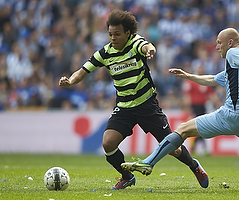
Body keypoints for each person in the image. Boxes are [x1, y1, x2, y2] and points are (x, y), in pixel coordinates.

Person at [121, 28, 239, 191]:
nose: (216, 47)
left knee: (183, 130)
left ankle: (149, 162)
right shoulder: (237, 67)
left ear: (230, 42)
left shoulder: (234, 53)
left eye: (219, 43)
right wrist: (188, 76)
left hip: (233, 115)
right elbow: (212, 79)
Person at [59, 10, 207, 190]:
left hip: (148, 106)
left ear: (128, 33)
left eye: (117, 34)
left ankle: (194, 166)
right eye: (110, 34)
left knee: (174, 149)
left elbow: (146, 46)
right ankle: (127, 176)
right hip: (124, 108)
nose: (113, 38)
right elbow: (83, 71)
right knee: (108, 143)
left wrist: (150, 50)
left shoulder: (135, 43)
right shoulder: (105, 53)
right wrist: (70, 81)